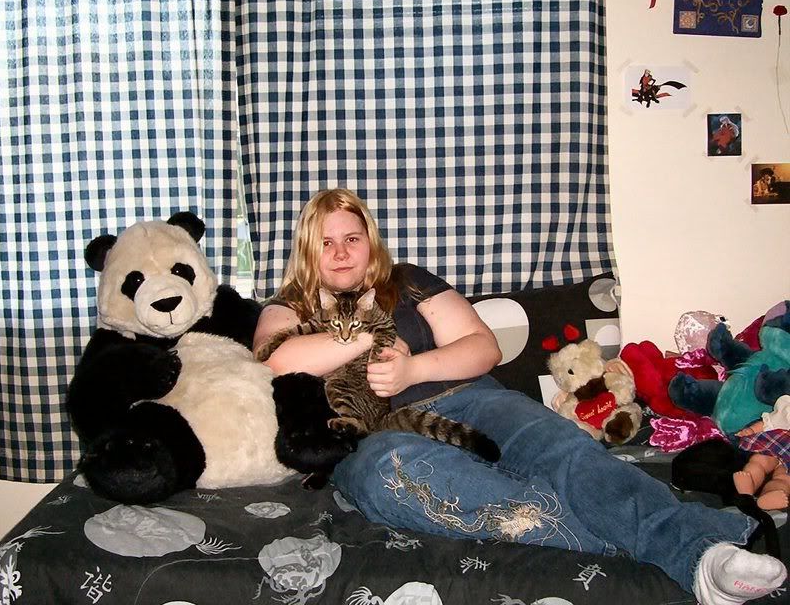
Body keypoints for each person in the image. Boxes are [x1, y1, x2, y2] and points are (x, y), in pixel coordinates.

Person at [253, 188, 787, 605]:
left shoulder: (406, 282)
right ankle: (667, 542)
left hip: (466, 400)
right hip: (376, 437)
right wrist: (369, 337)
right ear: (308, 250)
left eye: (352, 237)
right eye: (326, 242)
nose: (341, 252)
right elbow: (275, 362)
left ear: (371, 241)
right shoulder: (289, 306)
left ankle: (701, 555)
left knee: (563, 450)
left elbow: (483, 347)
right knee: (387, 476)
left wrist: (413, 366)